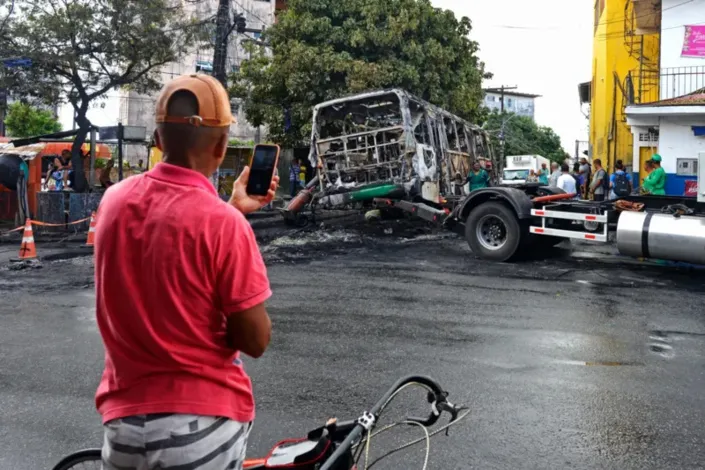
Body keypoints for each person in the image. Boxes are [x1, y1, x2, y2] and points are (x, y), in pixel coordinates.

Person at [95, 74, 278, 470]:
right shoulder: (224, 225)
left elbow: (164, 239)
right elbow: (255, 340)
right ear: (222, 145)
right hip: (199, 429)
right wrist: (231, 217)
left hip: (122, 426)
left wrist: (232, 208)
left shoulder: (113, 203)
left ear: (158, 142)